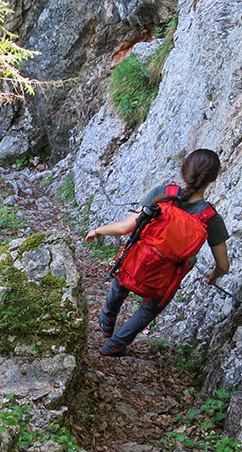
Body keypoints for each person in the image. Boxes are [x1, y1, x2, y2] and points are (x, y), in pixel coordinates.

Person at [84, 149, 230, 357]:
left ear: (184, 170)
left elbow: (126, 227)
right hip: (166, 275)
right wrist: (213, 275)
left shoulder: (164, 193)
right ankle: (115, 344)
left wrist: (97, 230)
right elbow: (223, 265)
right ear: (213, 179)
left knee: (122, 278)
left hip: (139, 260)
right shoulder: (210, 218)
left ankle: (107, 319)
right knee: (149, 309)